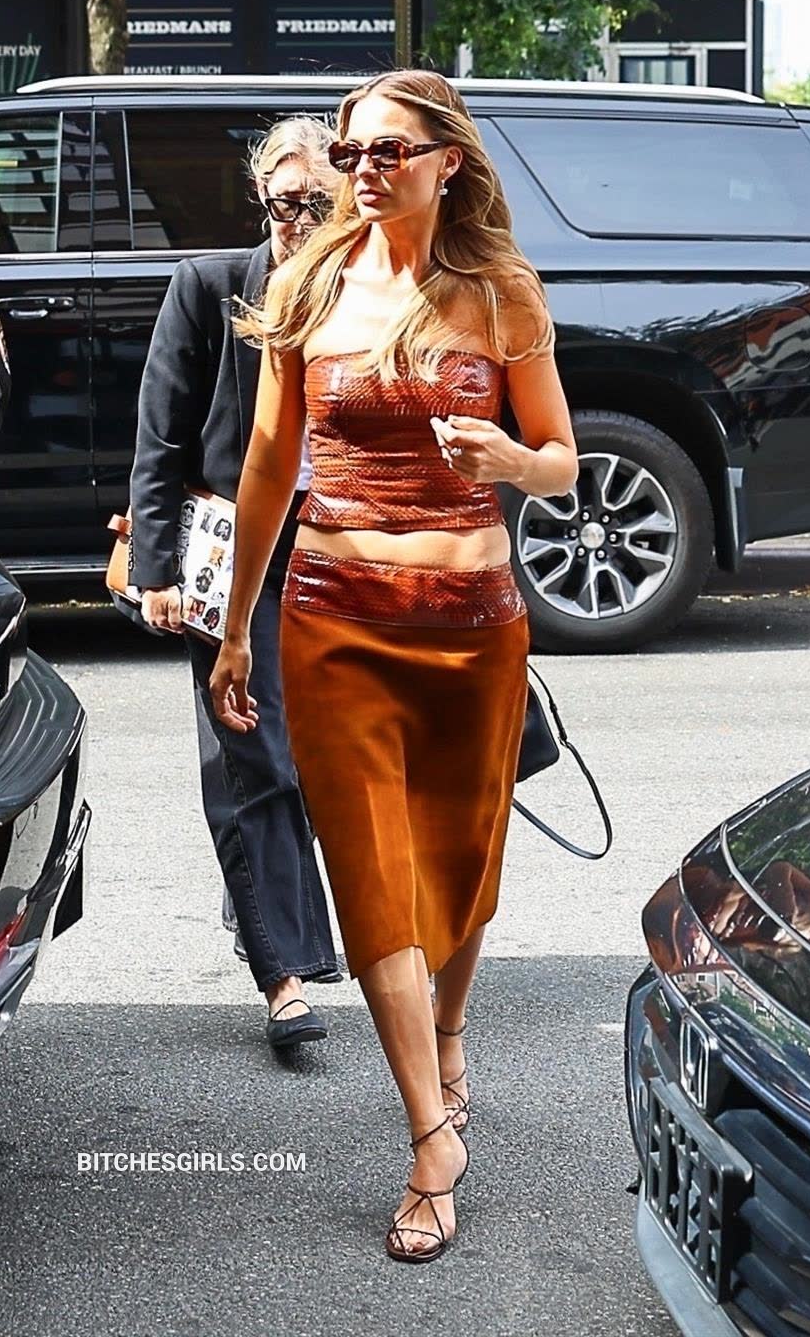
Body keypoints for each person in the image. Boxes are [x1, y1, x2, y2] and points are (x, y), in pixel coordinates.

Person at [210, 70, 578, 1260]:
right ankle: (431, 1135)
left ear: (445, 162)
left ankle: (450, 1036)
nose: (363, 171)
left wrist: (511, 462)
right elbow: (268, 468)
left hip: (473, 626)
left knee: (460, 864)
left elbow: (562, 457)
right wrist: (234, 624)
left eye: (388, 151)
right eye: (352, 152)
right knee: (372, 876)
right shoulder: (308, 283)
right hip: (333, 620)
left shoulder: (499, 290)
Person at [128, 116, 342, 1049]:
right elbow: (161, 439)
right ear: (260, 197)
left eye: (319, 204)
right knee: (251, 753)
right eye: (285, 203)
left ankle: (261, 896)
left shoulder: (373, 295)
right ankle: (283, 975)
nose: (299, 222)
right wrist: (158, 570)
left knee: (327, 758)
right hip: (231, 549)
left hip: (340, 548)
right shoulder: (209, 288)